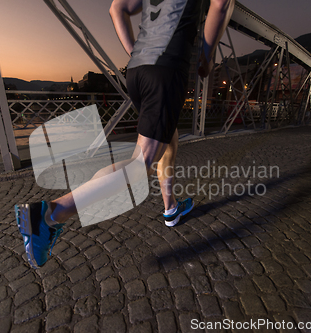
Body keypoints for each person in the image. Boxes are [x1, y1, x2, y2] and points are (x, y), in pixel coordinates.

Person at [15, 0, 236, 269]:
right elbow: (221, 4)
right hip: (167, 70)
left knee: (168, 137)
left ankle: (171, 208)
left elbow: (116, 8)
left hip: (138, 70)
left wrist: (137, 54)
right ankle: (49, 214)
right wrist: (206, 57)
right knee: (140, 163)